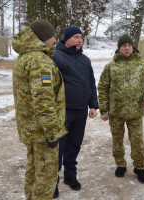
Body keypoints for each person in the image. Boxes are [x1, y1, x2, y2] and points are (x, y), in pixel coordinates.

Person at [12, 19, 67, 200]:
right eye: (51, 36)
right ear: (43, 37)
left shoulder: (25, 57)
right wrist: (52, 132)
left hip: (31, 129)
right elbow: (43, 101)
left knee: (34, 169)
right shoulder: (39, 61)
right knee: (46, 177)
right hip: (43, 132)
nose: (54, 41)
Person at [97, 34, 144, 183]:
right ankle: (120, 165)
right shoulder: (111, 66)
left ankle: (139, 167)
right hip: (116, 112)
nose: (127, 48)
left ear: (133, 47)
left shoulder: (142, 65)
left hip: (135, 112)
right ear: (119, 48)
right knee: (117, 140)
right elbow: (103, 88)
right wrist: (103, 110)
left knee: (137, 141)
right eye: (124, 46)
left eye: (129, 45)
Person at [52, 26, 99, 196]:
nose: (80, 40)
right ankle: (53, 182)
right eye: (76, 37)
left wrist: (93, 105)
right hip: (63, 111)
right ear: (66, 39)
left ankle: (70, 176)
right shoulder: (56, 56)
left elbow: (91, 83)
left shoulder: (85, 60)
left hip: (81, 112)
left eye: (81, 37)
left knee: (74, 145)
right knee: (58, 147)